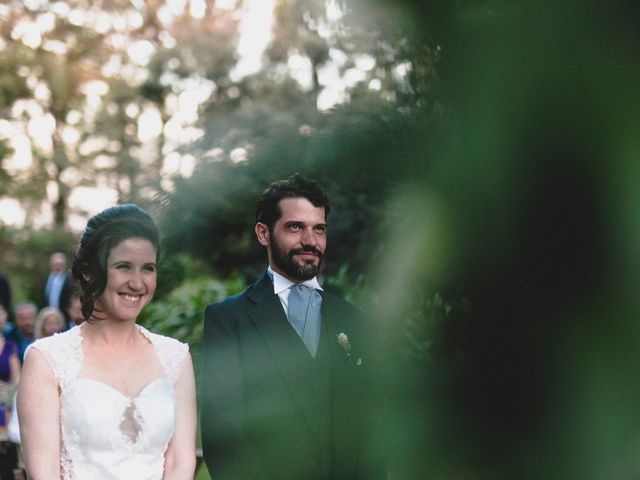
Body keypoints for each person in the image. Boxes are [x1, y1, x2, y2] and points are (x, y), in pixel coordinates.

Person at [201, 173, 383, 480]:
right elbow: (224, 437)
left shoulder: (352, 319)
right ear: (263, 233)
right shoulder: (228, 320)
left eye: (319, 229)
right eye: (295, 227)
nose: (310, 241)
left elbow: (371, 432)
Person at [17, 204, 197, 479]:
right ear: (90, 271)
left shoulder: (175, 357)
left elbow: (180, 462)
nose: (137, 283)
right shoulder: (46, 359)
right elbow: (44, 473)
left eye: (147, 268)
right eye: (123, 267)